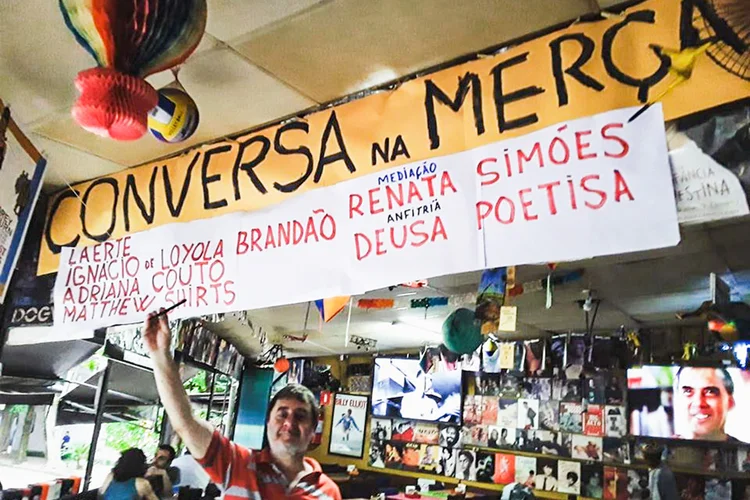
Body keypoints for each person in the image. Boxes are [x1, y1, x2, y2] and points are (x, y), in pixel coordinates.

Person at [144, 310, 341, 500]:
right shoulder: (237, 464)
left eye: (300, 416)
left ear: (313, 428)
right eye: (282, 414)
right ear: (268, 422)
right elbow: (186, 424)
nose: (289, 422)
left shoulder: (328, 491)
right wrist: (160, 356)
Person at [673, 366, 737, 441]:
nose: (698, 403)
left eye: (710, 392)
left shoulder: (745, 451)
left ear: (730, 402)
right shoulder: (662, 450)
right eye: (688, 391)